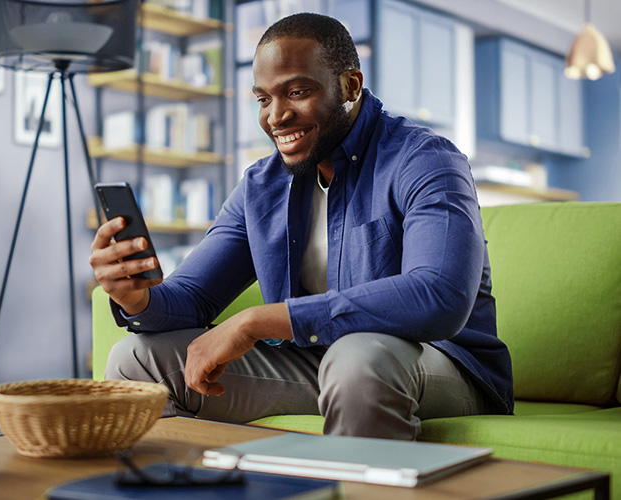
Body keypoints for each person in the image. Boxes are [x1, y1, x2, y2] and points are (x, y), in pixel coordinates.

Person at [89, 12, 513, 440]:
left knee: (357, 358)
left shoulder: (425, 159)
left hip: (443, 365)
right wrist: (138, 298)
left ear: (350, 86)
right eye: (263, 99)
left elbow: (439, 294)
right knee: (135, 358)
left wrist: (258, 321)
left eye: (296, 91)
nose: (276, 116)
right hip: (320, 364)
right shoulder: (261, 185)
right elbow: (194, 296)